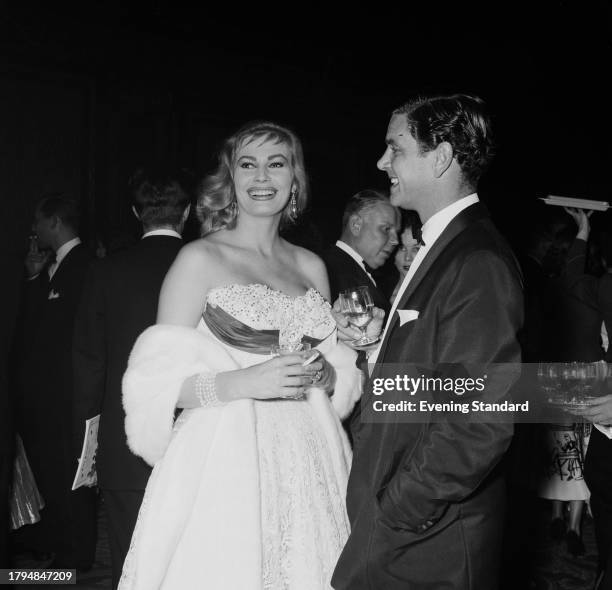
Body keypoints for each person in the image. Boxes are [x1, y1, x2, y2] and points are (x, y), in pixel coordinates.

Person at [118, 121, 362, 589]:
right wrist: (243, 384)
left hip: (313, 457)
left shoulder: (312, 265)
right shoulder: (199, 259)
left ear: (295, 179)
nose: (262, 177)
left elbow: (333, 371)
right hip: (224, 458)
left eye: (277, 164)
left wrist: (329, 376)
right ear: (230, 179)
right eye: (247, 165)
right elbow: (156, 388)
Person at [332, 94, 523, 590]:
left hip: (426, 542)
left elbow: (481, 418)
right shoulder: (446, 242)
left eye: (395, 148)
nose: (382, 162)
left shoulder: (476, 257)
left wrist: (398, 508)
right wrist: (381, 345)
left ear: (439, 158)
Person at [72, 168, 191, 589]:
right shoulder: (207, 266)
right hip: (195, 438)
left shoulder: (105, 272)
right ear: (188, 212)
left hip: (125, 447)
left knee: (129, 562)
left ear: (136, 213)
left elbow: (89, 363)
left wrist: (87, 444)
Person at [14, 194, 96, 569]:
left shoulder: (85, 266)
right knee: (54, 473)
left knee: (72, 477)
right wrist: (34, 277)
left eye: (39, 222)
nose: (35, 230)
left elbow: (73, 337)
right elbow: (35, 329)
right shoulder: (55, 265)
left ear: (54, 222)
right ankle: (63, 550)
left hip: (69, 396)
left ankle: (75, 558)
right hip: (48, 397)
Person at [322, 189, 399, 315]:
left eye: (396, 232)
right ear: (356, 225)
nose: (395, 240)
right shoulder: (328, 273)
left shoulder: (347, 270)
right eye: (386, 229)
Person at [390, 210, 422, 302]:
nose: (407, 258)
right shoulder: (377, 290)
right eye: (402, 248)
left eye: (416, 249)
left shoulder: (437, 296)